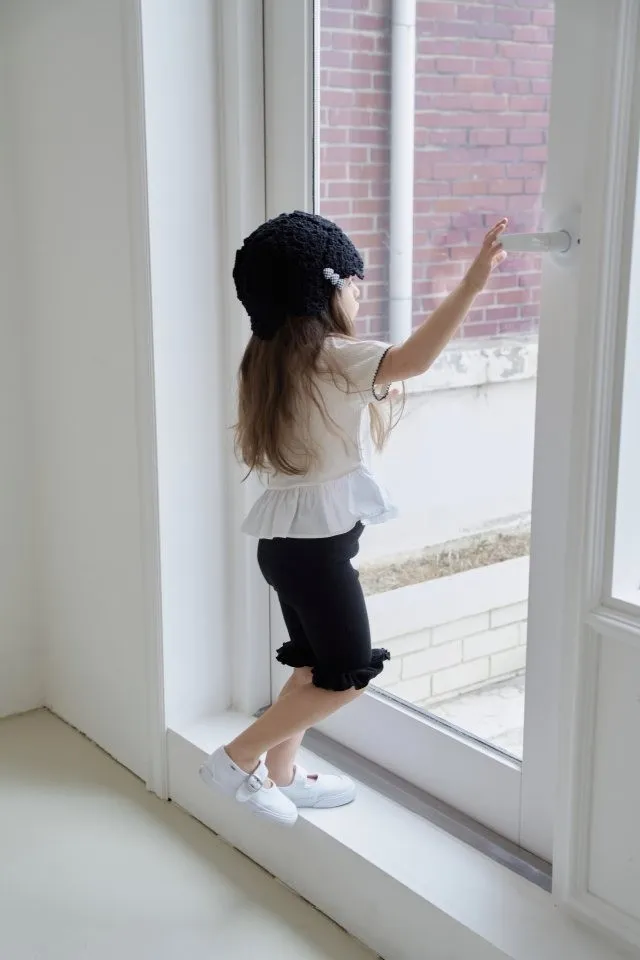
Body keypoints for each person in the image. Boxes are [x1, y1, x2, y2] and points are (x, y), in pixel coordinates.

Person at [199, 211, 508, 826]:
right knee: (346, 677)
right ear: (320, 290)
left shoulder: (270, 359)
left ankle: (282, 775)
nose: (360, 292)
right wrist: (473, 283)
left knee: (313, 668)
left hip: (286, 547)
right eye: (351, 281)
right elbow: (414, 360)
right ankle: (236, 760)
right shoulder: (331, 357)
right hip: (314, 553)